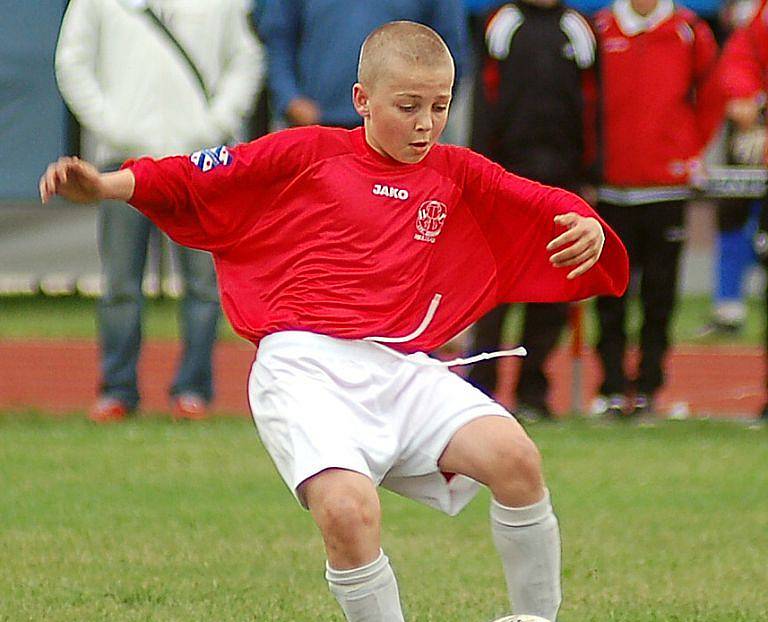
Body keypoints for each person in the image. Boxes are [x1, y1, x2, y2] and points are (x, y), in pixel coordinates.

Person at [41, 21, 637, 622]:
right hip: (302, 366)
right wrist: (105, 184)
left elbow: (533, 199)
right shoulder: (308, 152)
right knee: (349, 511)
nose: (425, 123)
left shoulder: (453, 169)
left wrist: (585, 221)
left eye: (440, 106)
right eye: (407, 105)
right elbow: (192, 172)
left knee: (516, 459)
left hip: (398, 364)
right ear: (361, 98)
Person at [55, 0, 263, 421]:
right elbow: (72, 62)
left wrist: (215, 122)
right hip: (122, 160)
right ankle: (117, 390)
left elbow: (246, 58)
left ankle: (193, 392)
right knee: (120, 283)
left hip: (199, 163)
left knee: (204, 284)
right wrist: (114, 125)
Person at [466, 0, 599, 420]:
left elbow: (595, 107)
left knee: (551, 290)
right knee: (493, 292)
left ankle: (532, 392)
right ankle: (481, 390)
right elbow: (483, 105)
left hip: (563, 184)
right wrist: (481, 175)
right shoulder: (500, 25)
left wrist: (591, 173)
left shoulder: (579, 29)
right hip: (505, 183)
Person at [592, 0, 721, 418]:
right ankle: (611, 387)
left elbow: (714, 94)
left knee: (659, 295)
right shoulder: (600, 29)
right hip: (611, 190)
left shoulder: (689, 30)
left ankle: (648, 387)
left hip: (666, 191)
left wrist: (686, 148)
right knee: (610, 296)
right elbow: (585, 101)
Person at [258, 0, 468, 129]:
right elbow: (278, 38)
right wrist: (289, 98)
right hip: (316, 124)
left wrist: (423, 114)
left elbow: (450, 49)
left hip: (398, 136)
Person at [717, 0, 768, 418]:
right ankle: (727, 303)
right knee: (734, 213)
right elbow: (740, 58)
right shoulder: (759, 17)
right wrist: (744, 96)